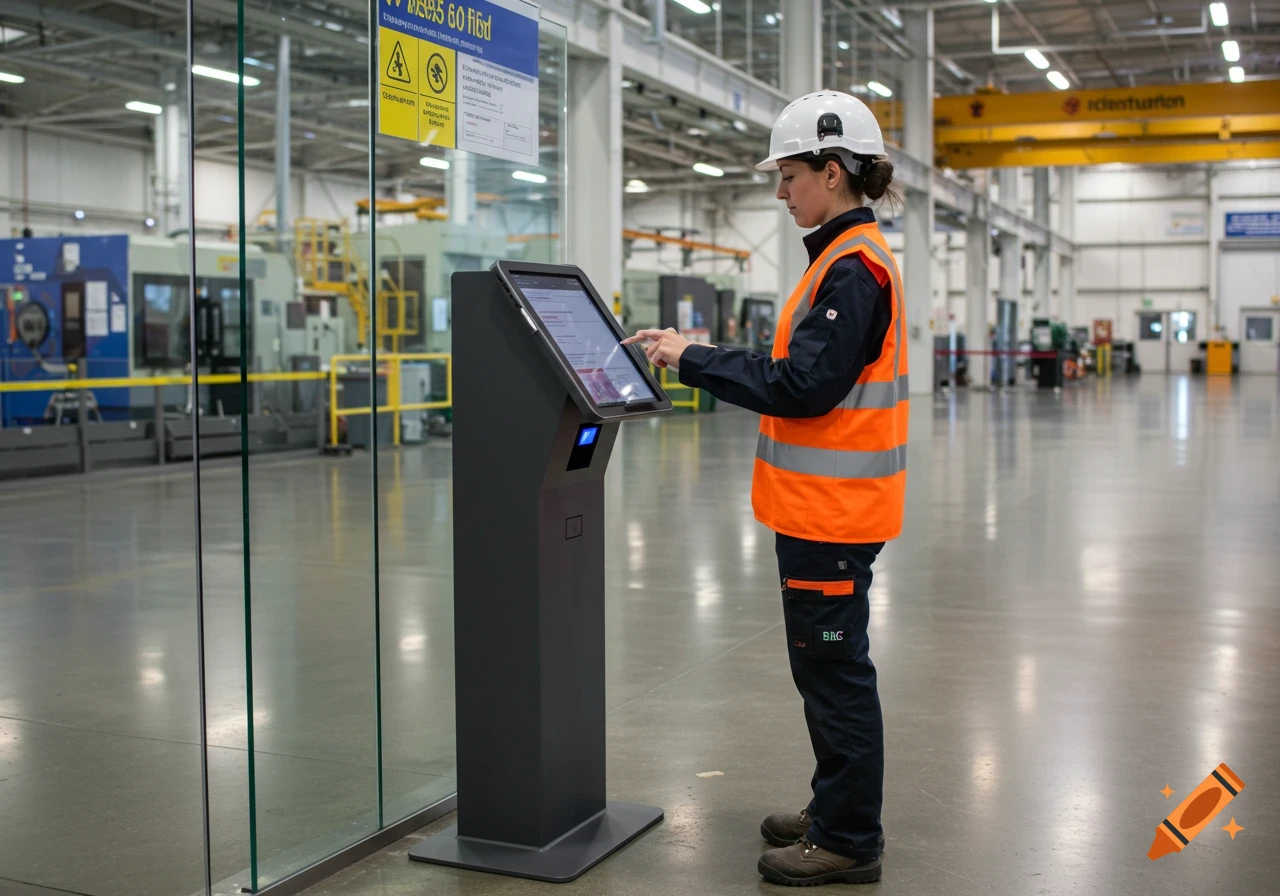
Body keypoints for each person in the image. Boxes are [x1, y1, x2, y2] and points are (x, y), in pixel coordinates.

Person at [623, 91, 908, 887]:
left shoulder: (853, 270)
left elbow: (803, 385)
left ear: (832, 170)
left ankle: (849, 837)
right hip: (828, 509)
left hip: (834, 513)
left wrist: (693, 358)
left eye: (788, 177)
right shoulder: (841, 260)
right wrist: (705, 351)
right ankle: (833, 806)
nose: (781, 193)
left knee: (833, 671)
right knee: (826, 668)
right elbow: (807, 371)